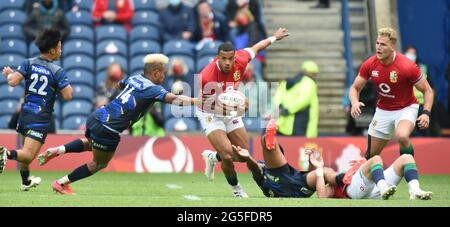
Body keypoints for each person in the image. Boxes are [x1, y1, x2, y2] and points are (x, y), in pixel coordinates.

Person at [36, 54, 199, 195]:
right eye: (163, 72)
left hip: (97, 116)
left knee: (93, 144)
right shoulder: (153, 89)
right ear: (156, 73)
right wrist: (195, 101)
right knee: (99, 163)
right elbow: (173, 99)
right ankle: (61, 183)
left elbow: (119, 85)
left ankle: (59, 149)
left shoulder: (134, 77)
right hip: (109, 129)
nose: (164, 75)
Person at [196, 27, 289, 198]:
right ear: (218, 57)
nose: (227, 63)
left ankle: (213, 157)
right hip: (209, 112)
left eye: (230, 59)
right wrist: (237, 108)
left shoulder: (241, 59)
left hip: (229, 110)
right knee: (228, 156)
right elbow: (208, 105)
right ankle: (237, 189)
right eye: (223, 59)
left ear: (234, 57)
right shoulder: (207, 77)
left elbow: (256, 48)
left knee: (243, 155)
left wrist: (274, 37)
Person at [0, 28, 73, 191]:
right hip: (40, 118)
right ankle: (5, 153)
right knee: (27, 155)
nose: (61, 51)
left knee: (25, 155)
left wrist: (9, 74)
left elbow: (12, 82)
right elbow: (68, 95)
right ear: (52, 50)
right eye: (60, 47)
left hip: (25, 114)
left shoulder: (28, 62)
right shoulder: (57, 71)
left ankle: (25, 181)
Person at [349, 27, 434, 159]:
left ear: (393, 46)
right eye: (377, 43)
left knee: (402, 136)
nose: (378, 47)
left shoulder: (407, 66)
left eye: (383, 44)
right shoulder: (370, 64)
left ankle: (409, 170)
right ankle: (373, 179)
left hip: (406, 107)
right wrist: (354, 102)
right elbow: (354, 88)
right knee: (370, 156)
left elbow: (428, 90)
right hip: (383, 109)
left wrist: (426, 113)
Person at [231, 119, 336, 198]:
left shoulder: (271, 170)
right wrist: (248, 157)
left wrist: (312, 163)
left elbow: (313, 174)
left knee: (324, 172)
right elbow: (255, 168)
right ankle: (344, 181)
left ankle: (344, 182)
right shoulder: (263, 169)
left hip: (294, 183)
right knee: (324, 172)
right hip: (296, 186)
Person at [311, 152, 433, 200]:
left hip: (373, 187)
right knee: (376, 159)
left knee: (407, 158)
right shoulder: (330, 181)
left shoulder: (341, 173)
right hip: (354, 191)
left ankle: (415, 190)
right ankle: (384, 187)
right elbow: (322, 195)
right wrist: (319, 168)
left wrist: (362, 164)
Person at [274, 60, 319, 137]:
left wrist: (281, 107)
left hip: (283, 124)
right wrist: (288, 110)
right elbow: (303, 101)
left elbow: (277, 98)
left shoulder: (286, 82)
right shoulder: (310, 83)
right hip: (301, 124)